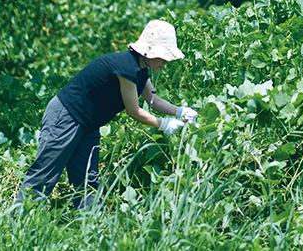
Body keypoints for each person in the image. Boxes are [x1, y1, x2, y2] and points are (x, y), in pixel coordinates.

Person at [14, 19, 197, 209]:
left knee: (88, 181)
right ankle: (18, 220)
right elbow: (134, 111)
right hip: (66, 115)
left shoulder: (141, 71)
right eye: (163, 56)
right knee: (45, 173)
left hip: (88, 123)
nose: (165, 62)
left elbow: (154, 101)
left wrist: (180, 111)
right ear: (149, 52)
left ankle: (90, 228)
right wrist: (162, 124)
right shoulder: (126, 67)